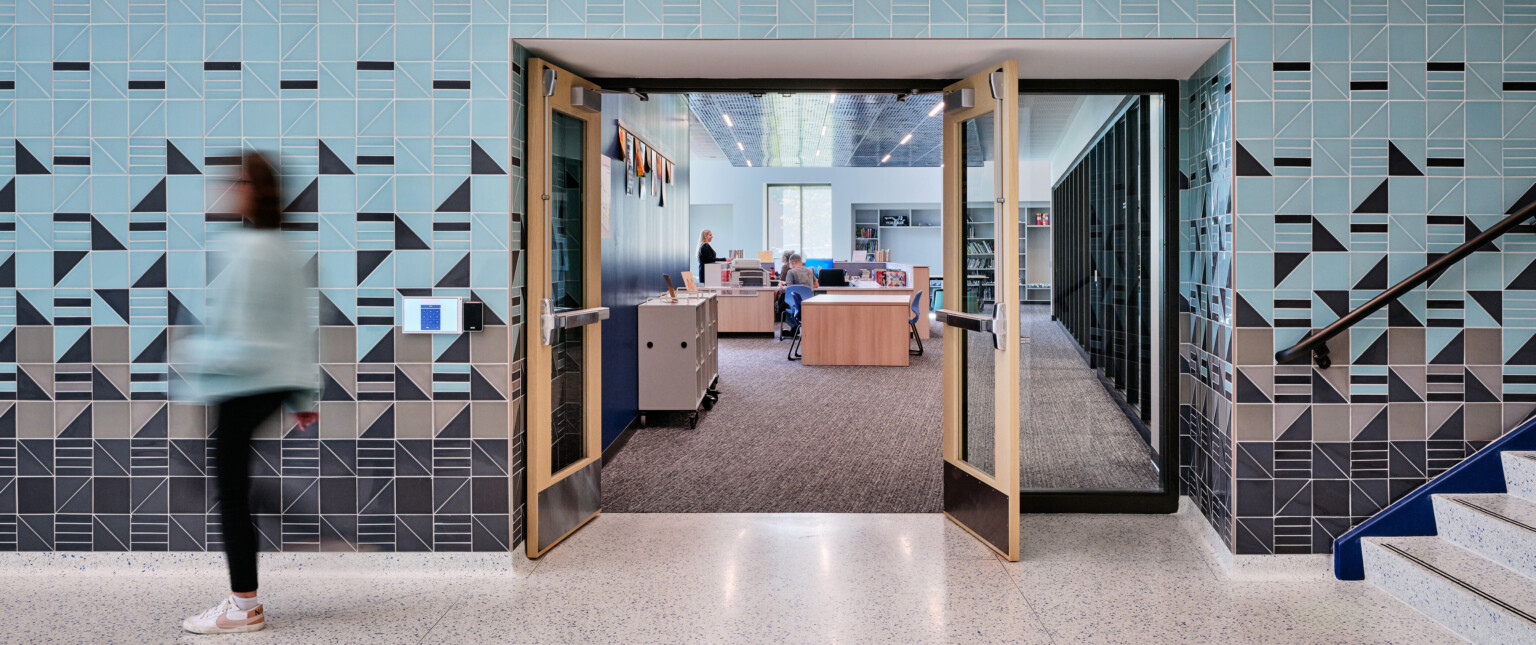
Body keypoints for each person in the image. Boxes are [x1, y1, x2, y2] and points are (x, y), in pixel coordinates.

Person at [179, 152, 319, 635]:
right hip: (274, 382)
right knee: (237, 488)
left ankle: (244, 606)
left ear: (250, 189)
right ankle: (245, 599)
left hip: (243, 382)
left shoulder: (243, 248)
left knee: (232, 493)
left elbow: (238, 332)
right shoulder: (285, 249)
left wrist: (196, 355)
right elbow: (300, 326)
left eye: (237, 180)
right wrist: (301, 395)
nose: (230, 187)